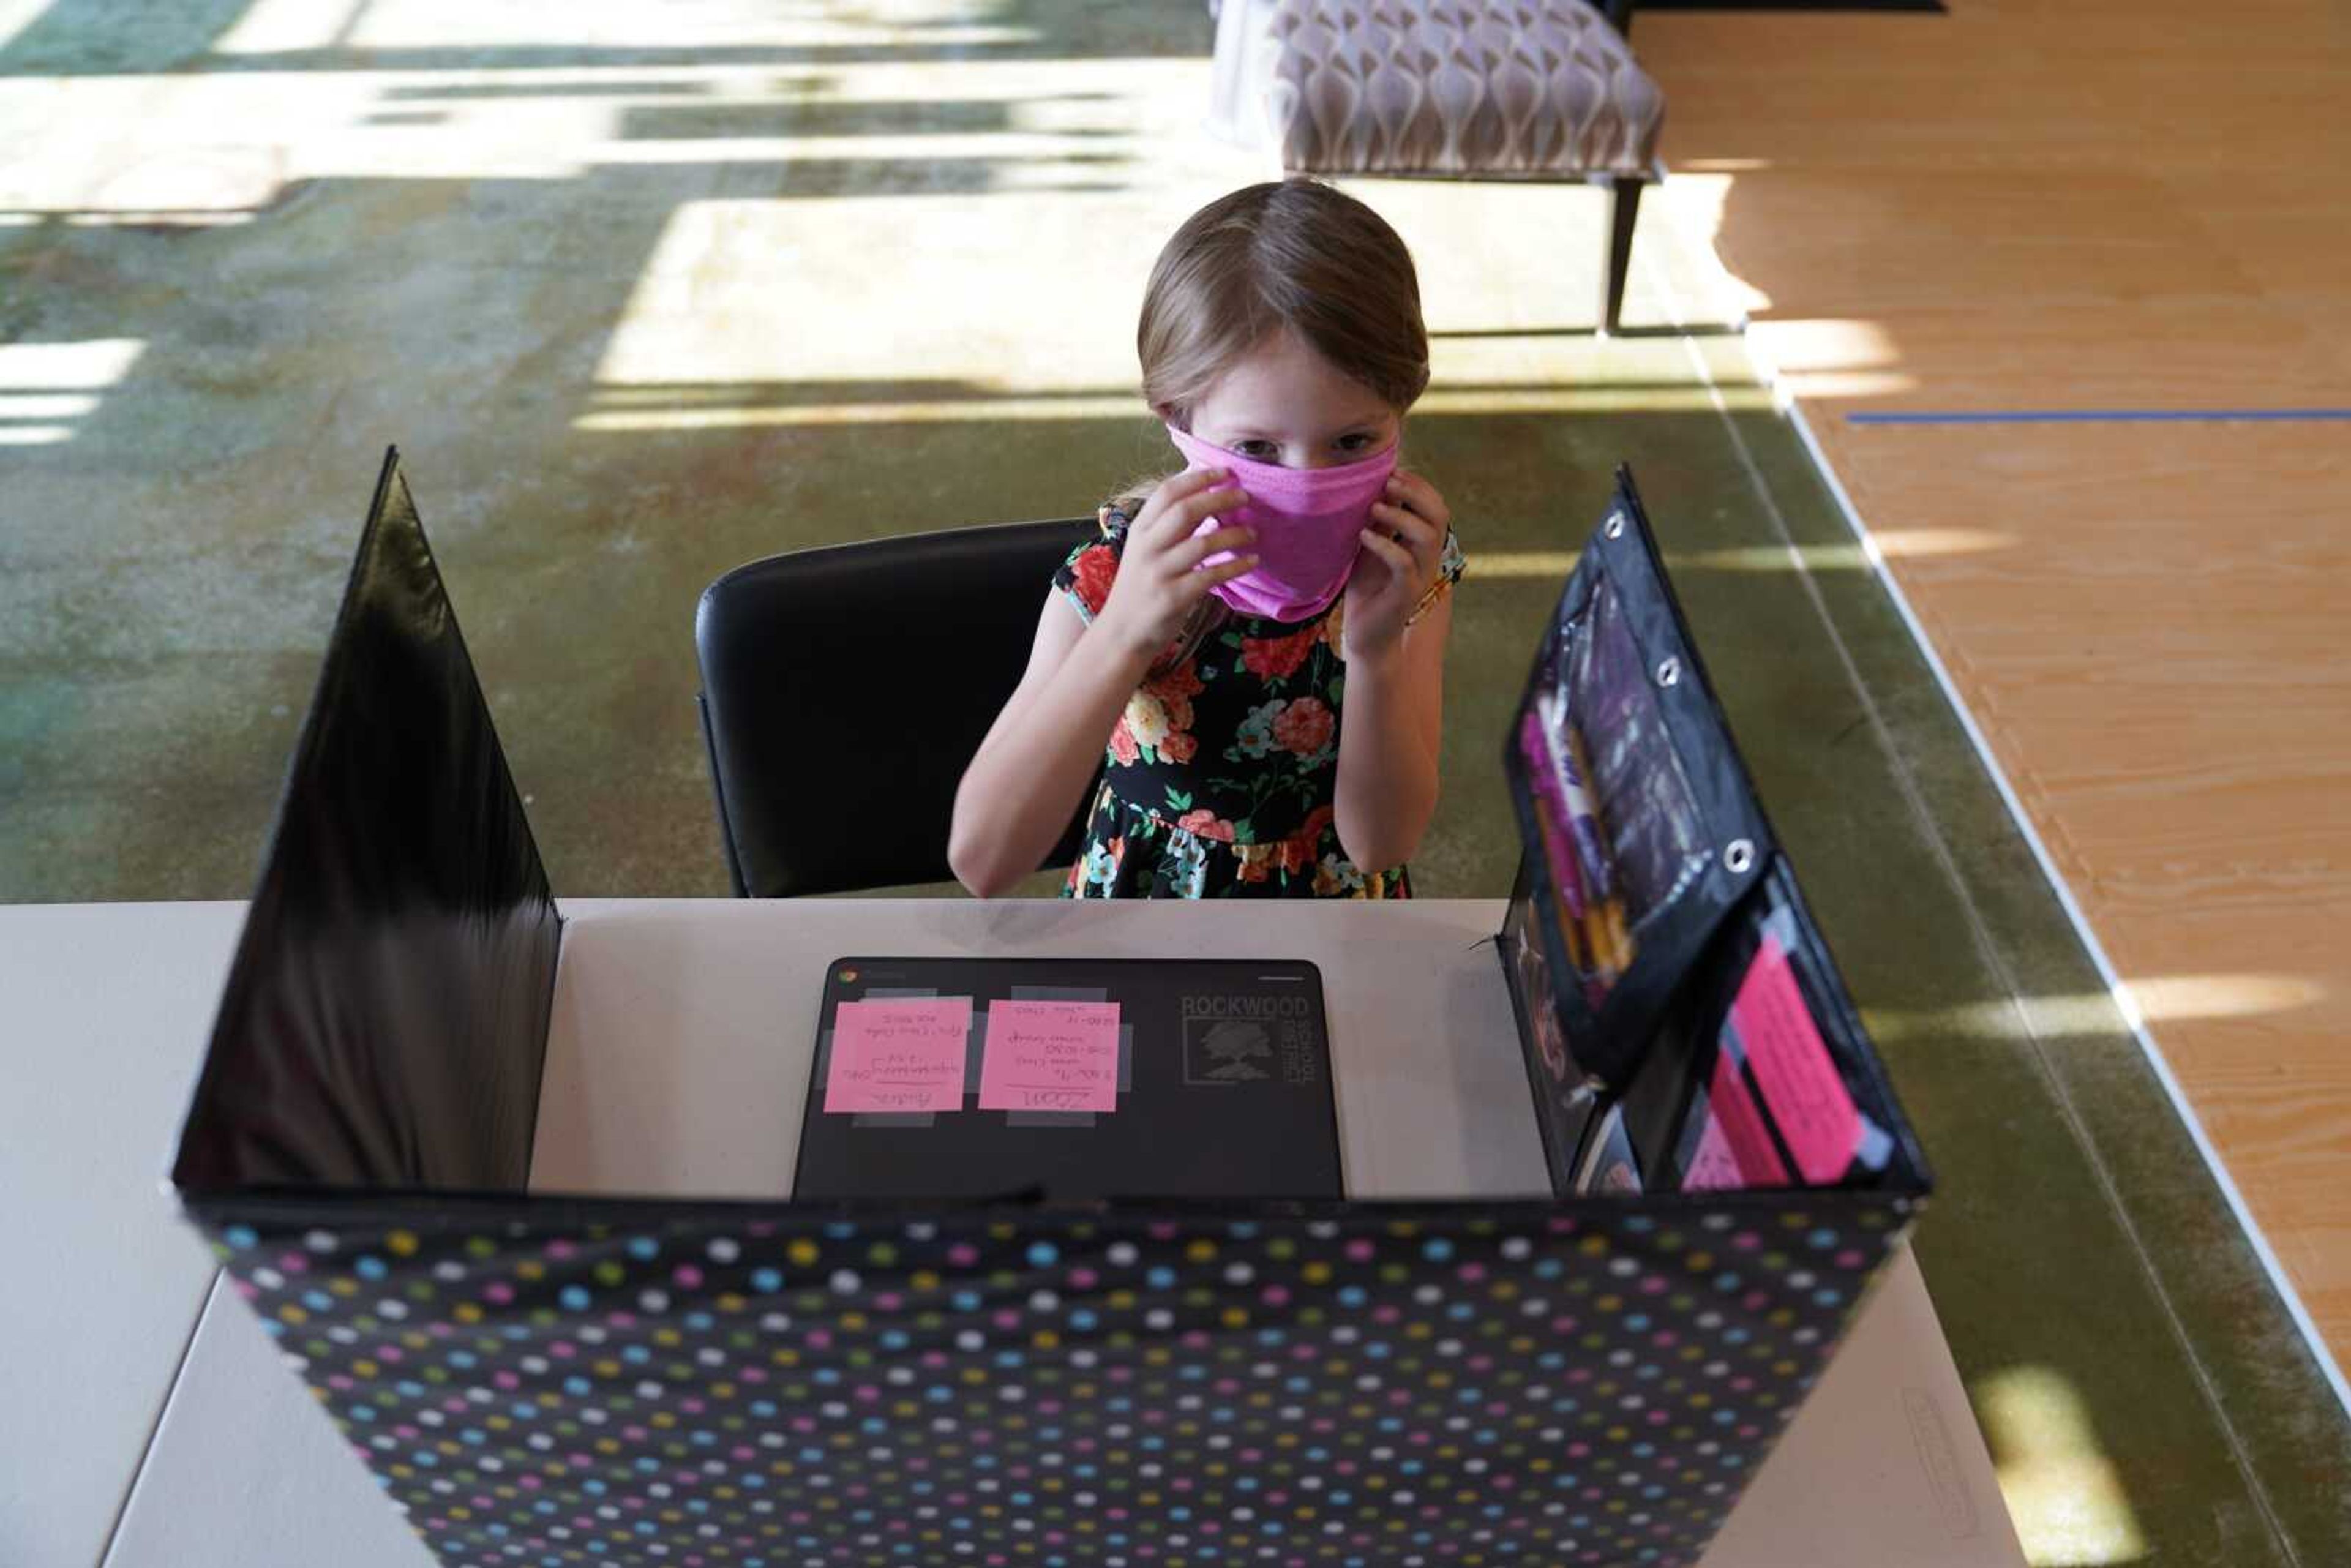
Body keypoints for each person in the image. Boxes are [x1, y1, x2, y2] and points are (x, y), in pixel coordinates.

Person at [950, 179, 1464, 899]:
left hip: (1336, 929)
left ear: (1401, 408)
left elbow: (1382, 841)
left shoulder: (1404, 562)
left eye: (1352, 440)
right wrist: (1126, 632)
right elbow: (985, 858)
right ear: (1177, 415)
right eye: (1256, 447)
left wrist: (1376, 654)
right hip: (1147, 923)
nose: (1308, 483)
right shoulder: (1114, 579)